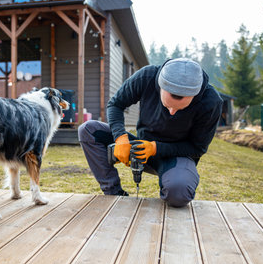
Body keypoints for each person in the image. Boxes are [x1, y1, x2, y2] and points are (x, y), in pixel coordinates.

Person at [78, 58, 223, 207]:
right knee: (88, 130)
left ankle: (172, 181)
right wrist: (120, 137)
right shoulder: (147, 77)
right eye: (167, 106)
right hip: (139, 149)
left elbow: (198, 148)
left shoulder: (211, 102)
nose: (172, 113)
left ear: (195, 94)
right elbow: (115, 104)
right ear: (160, 86)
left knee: (179, 192)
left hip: (175, 157)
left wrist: (155, 148)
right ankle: (114, 193)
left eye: (179, 109)